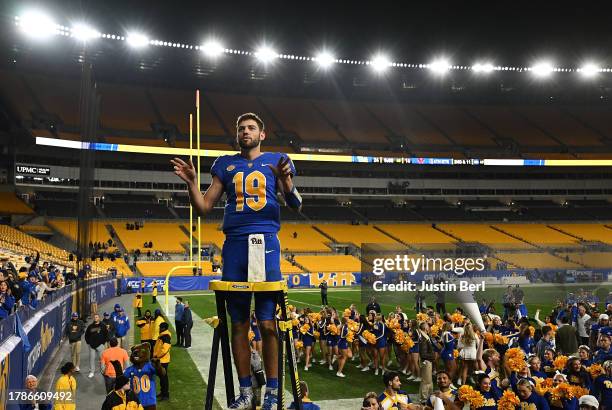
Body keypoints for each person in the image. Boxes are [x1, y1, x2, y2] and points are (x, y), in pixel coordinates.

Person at [172, 112, 302, 410]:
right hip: (235, 247)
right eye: (241, 128)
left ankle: (272, 390)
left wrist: (285, 180)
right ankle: (245, 391)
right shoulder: (225, 164)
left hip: (266, 244)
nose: (246, 132)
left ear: (262, 134)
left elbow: (296, 204)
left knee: (269, 324)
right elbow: (204, 206)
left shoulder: (277, 160)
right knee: (239, 324)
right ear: (237, 134)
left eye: (251, 128)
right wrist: (192, 182)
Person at [84, 313, 108, 378]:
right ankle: (92, 372)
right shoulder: (90, 326)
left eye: (97, 317)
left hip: (100, 345)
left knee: (102, 359)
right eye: (94, 317)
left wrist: (103, 343)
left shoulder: (103, 325)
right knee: (91, 359)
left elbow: (106, 334)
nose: (95, 318)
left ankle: (103, 370)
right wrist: (88, 342)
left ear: (99, 318)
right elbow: (86, 335)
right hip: (92, 346)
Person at [153, 322, 172, 401]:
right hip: (161, 360)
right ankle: (162, 392)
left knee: (164, 378)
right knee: (161, 377)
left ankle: (165, 395)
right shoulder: (163, 335)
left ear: (163, 328)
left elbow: (165, 349)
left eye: (160, 327)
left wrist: (157, 356)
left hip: (163, 361)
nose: (159, 328)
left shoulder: (166, 336)